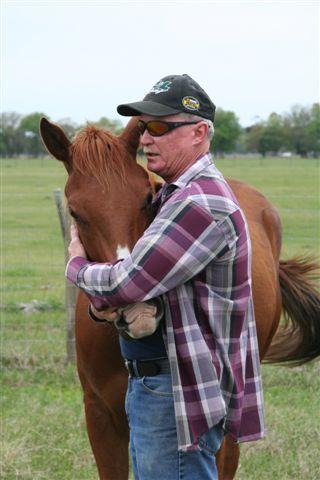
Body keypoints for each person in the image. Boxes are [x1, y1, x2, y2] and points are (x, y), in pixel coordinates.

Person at [66, 74, 265, 480]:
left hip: (175, 391)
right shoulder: (173, 194)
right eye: (144, 127)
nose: (146, 139)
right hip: (159, 384)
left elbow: (128, 286)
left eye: (158, 127)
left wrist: (76, 264)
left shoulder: (201, 203)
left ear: (199, 133)